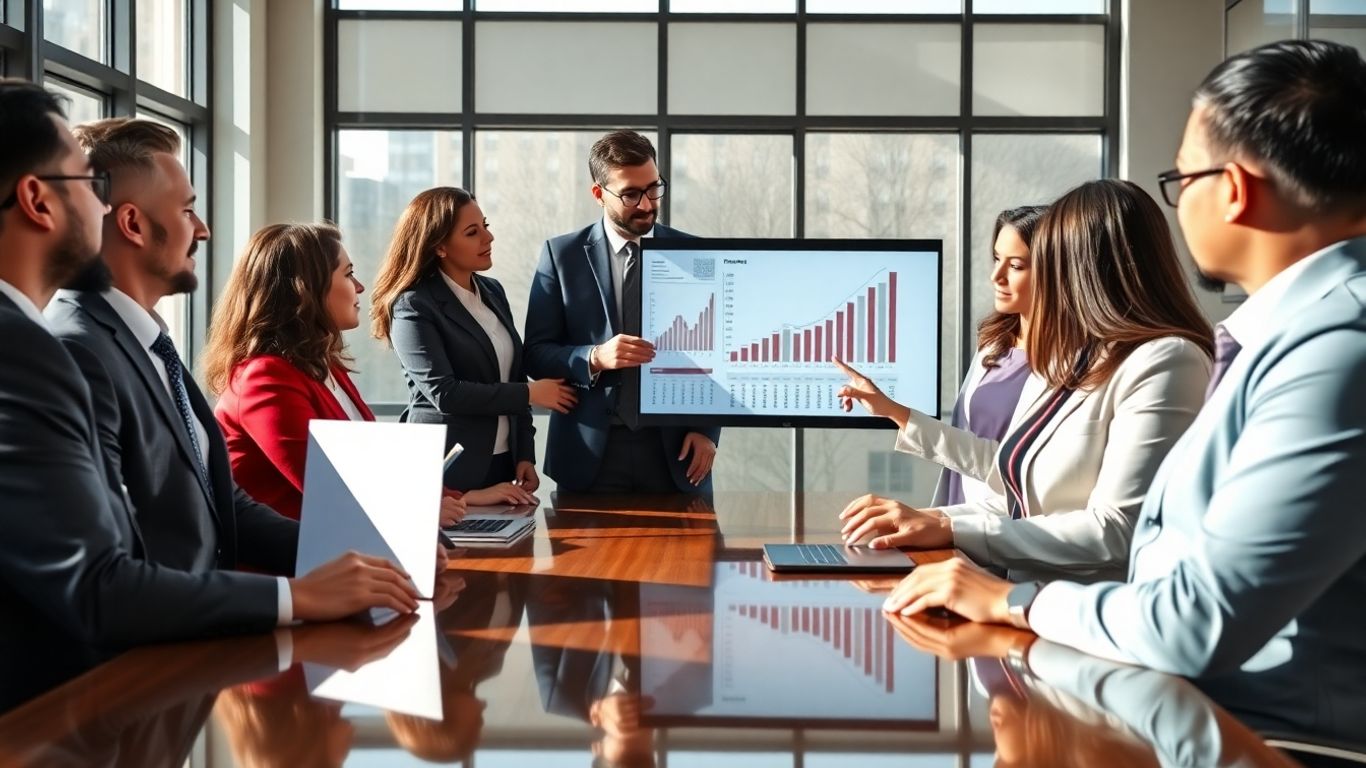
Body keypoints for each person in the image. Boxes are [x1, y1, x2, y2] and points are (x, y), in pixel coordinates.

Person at [881, 39, 1366, 743]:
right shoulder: (1290, 333)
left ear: (1233, 188)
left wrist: (1012, 600)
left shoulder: (1335, 349)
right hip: (1201, 713)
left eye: (1182, 177)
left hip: (1275, 741)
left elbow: (1193, 620)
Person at [0, 80, 417, 714]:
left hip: (179, 667)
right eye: (85, 186)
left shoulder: (143, 342)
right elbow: (100, 580)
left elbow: (219, 505)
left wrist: (359, 558)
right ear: (37, 200)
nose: (205, 226)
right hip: (108, 698)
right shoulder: (53, 349)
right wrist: (298, 598)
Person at [839, 179, 1213, 584]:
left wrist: (948, 527)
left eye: (1042, 263)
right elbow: (1015, 494)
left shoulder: (1167, 361)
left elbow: (1117, 531)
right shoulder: (1070, 360)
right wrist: (929, 518)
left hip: (1086, 616)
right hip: (1021, 603)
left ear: (1087, 269)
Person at [205, 222, 464, 527]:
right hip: (295, 563)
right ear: (306, 290)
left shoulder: (324, 366)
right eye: (348, 273)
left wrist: (462, 497)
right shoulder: (264, 378)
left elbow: (370, 465)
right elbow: (323, 483)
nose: (359, 287)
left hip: (346, 548)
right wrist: (420, 509)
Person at [524, 130, 721, 495]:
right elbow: (536, 354)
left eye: (653, 188)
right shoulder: (561, 256)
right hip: (588, 454)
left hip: (677, 454)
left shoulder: (694, 254)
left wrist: (706, 430)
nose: (647, 204)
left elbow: (714, 351)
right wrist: (594, 357)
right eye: (631, 194)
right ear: (599, 194)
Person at [371, 186, 576, 505]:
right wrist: (531, 394)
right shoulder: (413, 305)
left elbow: (513, 375)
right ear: (439, 246)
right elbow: (444, 392)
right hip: (447, 469)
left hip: (500, 464)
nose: (488, 238)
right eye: (472, 232)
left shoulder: (493, 291)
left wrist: (524, 453)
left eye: (486, 226)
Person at [842, 205, 1049, 511]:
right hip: (958, 513)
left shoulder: (1065, 365)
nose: (996, 276)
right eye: (996, 259)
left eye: (1016, 265)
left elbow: (1009, 466)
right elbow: (965, 439)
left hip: (1000, 528)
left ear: (1052, 272)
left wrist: (898, 412)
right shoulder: (994, 343)